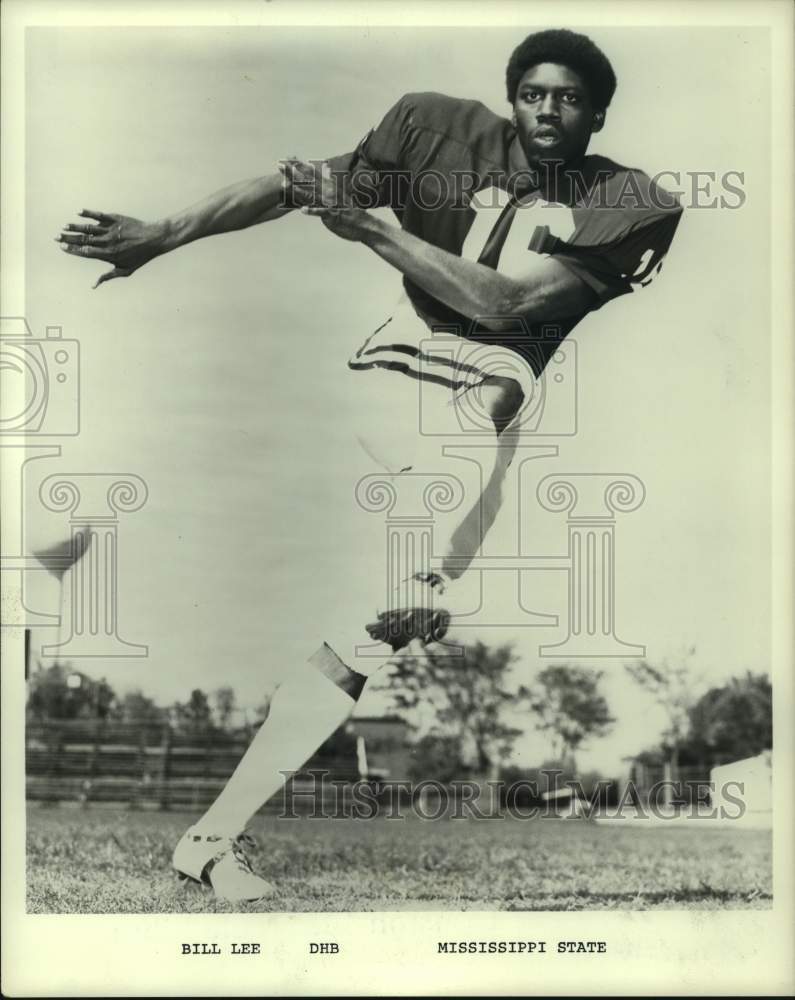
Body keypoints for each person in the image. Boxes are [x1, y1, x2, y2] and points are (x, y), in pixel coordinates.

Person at [57, 29, 682, 902]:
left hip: (484, 388)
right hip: (407, 363)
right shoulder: (432, 129)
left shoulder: (633, 201)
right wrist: (164, 233)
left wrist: (377, 235)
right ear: (511, 98)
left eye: (568, 98)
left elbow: (509, 306)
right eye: (534, 92)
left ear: (597, 113)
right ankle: (413, 574)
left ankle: (209, 840)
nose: (548, 109)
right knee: (493, 400)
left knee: (362, 646)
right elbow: (289, 184)